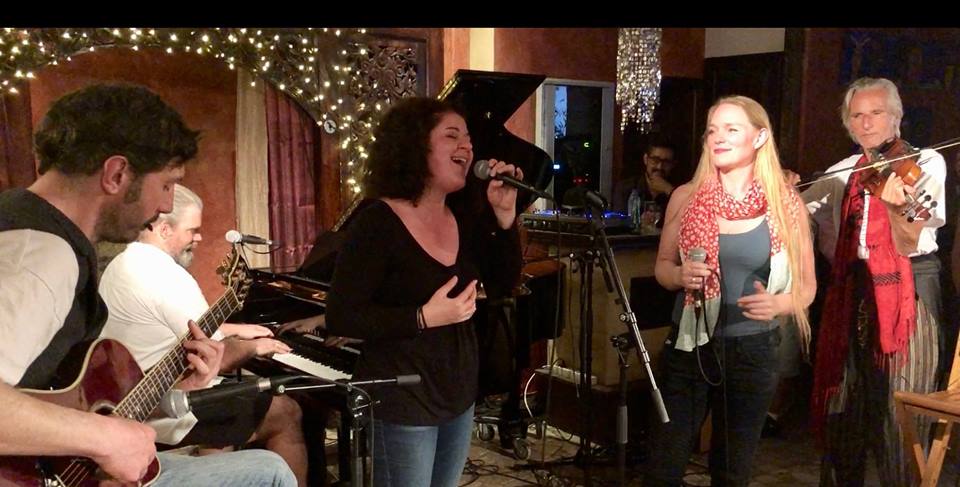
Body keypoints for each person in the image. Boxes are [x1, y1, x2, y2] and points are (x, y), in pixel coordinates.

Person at [0, 83, 295, 486]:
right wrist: (104, 438)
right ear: (116, 174)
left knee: (267, 467)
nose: (165, 205)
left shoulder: (30, 227)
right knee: (270, 473)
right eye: (167, 184)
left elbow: (56, 398)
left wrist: (175, 384)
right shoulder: (40, 255)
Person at [322, 97, 522, 486]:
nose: (467, 146)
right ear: (415, 146)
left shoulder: (462, 217)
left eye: (468, 138)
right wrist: (422, 317)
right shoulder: (377, 221)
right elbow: (342, 316)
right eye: (452, 136)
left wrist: (504, 217)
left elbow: (503, 283)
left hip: (458, 393)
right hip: (402, 398)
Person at [644, 95, 816, 486]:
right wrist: (680, 276)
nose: (718, 137)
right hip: (690, 346)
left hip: (753, 350)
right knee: (663, 466)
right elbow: (662, 268)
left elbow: (807, 287)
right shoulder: (686, 196)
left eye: (731, 129)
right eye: (712, 130)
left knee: (732, 472)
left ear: (759, 137)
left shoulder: (785, 203)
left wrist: (778, 303)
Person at [98, 183, 308, 486]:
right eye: (192, 230)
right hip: (161, 406)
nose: (198, 238)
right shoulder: (166, 275)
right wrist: (255, 347)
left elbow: (185, 327)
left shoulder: (124, 262)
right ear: (164, 229)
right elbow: (219, 355)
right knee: (286, 411)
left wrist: (236, 329)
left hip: (130, 397)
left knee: (235, 400)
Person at [806, 77, 946, 486]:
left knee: (900, 406)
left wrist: (898, 209)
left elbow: (912, 237)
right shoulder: (841, 172)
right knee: (843, 402)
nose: (866, 123)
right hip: (852, 288)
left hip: (909, 286)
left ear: (896, 117)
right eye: (857, 115)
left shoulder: (924, 162)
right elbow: (800, 213)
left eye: (876, 113)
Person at [613, 135, 678, 214]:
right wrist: (638, 220)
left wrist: (669, 190)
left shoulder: (677, 191)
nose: (659, 167)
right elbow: (619, 219)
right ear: (646, 159)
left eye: (666, 162)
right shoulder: (626, 188)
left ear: (673, 164)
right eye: (655, 160)